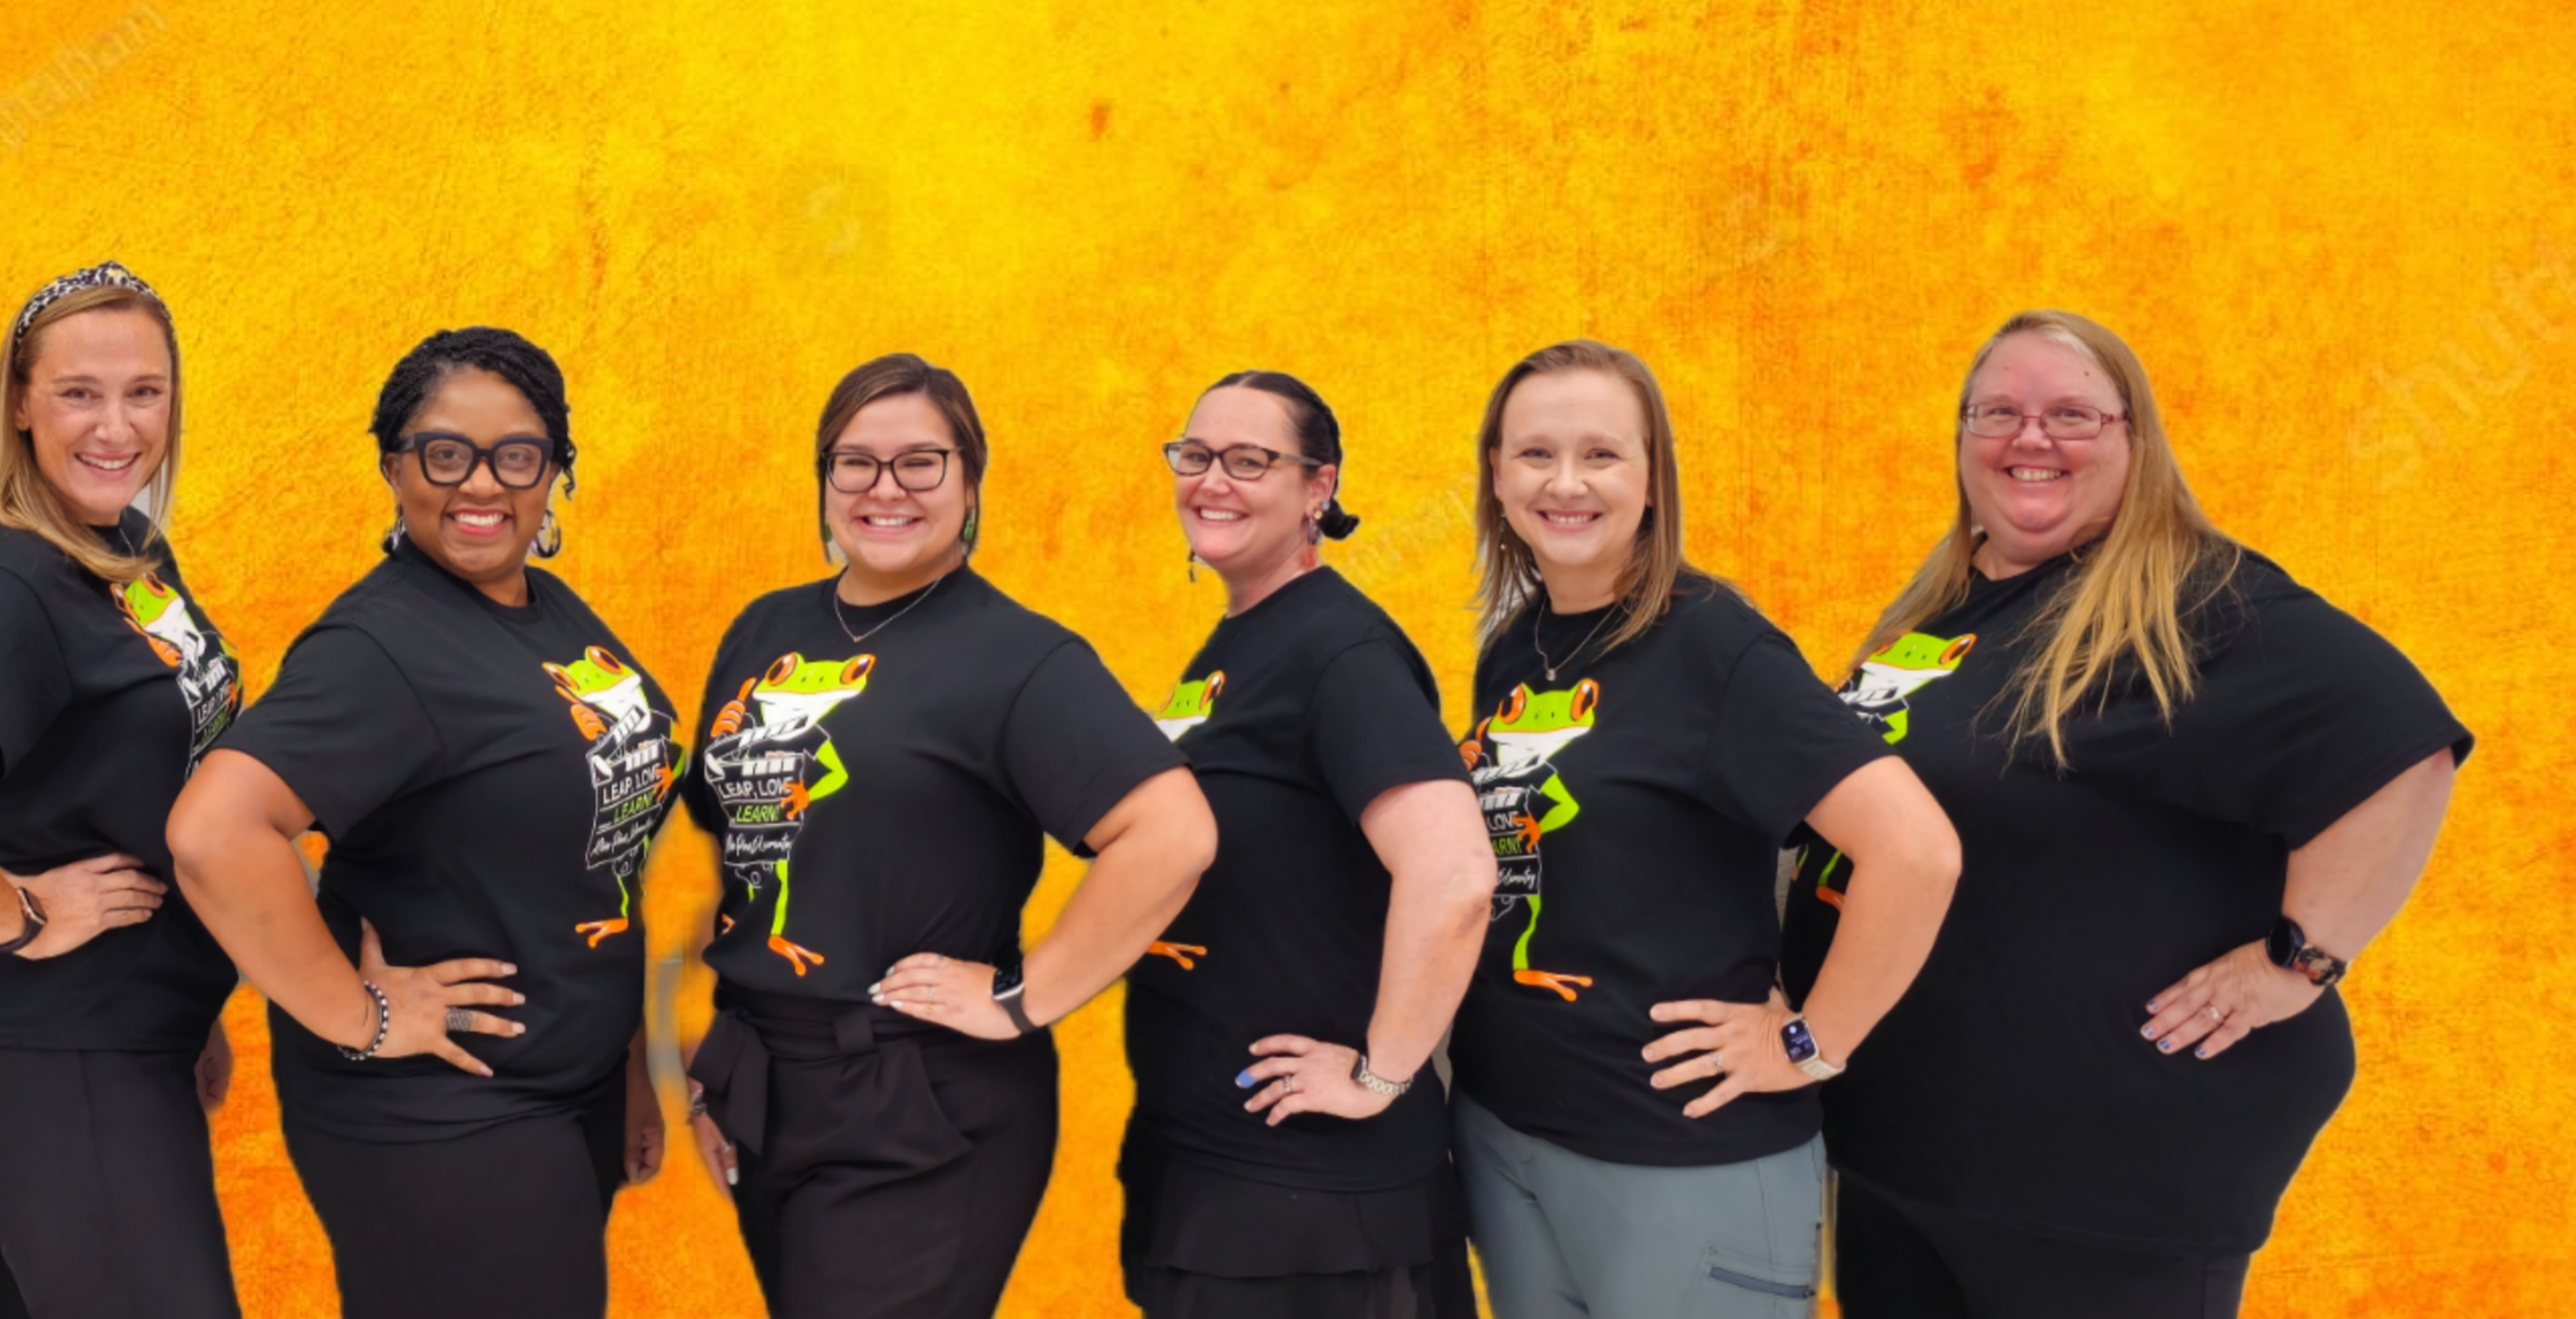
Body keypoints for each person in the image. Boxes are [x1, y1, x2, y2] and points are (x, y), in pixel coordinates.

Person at [1790, 311, 2465, 1319]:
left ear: (2134, 441)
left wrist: (2300, 960)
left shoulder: (2190, 601)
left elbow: (2403, 742)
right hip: (1907, 1150)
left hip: (2097, 1184)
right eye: (2000, 412)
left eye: (2072, 415)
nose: (2032, 438)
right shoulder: (1953, 606)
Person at [679, 353, 1217, 1319]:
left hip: (919, 1103)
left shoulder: (1017, 657)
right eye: (856, 463)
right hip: (766, 1078)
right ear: (824, 480)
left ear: (970, 483)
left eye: (921, 463)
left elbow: (1170, 832)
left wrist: (1025, 999)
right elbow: (734, 845)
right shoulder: (768, 630)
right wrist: (715, 1061)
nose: (885, 490)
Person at [168, 326, 675, 1319]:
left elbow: (593, 853)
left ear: (555, 473)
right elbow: (214, 833)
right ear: (394, 467)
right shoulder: (383, 644)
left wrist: (629, 1066)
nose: (481, 484)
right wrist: (363, 1017)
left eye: (517, 455)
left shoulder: (546, 608)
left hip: (565, 1089)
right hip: (444, 1114)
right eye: (446, 454)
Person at [1446, 340, 1959, 1318]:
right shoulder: (1516, 649)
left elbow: (1917, 849)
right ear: (1497, 478)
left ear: (1653, 479)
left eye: (1602, 454)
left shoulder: (1716, 646)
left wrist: (1812, 1043)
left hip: (1678, 1158)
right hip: (1507, 1134)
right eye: (1534, 454)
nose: (1565, 483)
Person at [0, 259, 243, 1319]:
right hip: (59, 1058)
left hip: (127, 1039)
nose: (115, 426)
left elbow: (137, 781)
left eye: (142, 392)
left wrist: (189, 999)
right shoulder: (18, 580)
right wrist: (18, 915)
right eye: (78, 392)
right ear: (19, 402)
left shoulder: (124, 550)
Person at [1120, 370, 1498, 1319]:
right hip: (1219, 1179)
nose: (1213, 480)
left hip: (1314, 1213)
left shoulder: (1342, 652)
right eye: (1195, 456)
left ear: (1317, 489)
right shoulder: (1239, 642)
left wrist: (1382, 1073)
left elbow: (1454, 874)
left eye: (1251, 461)